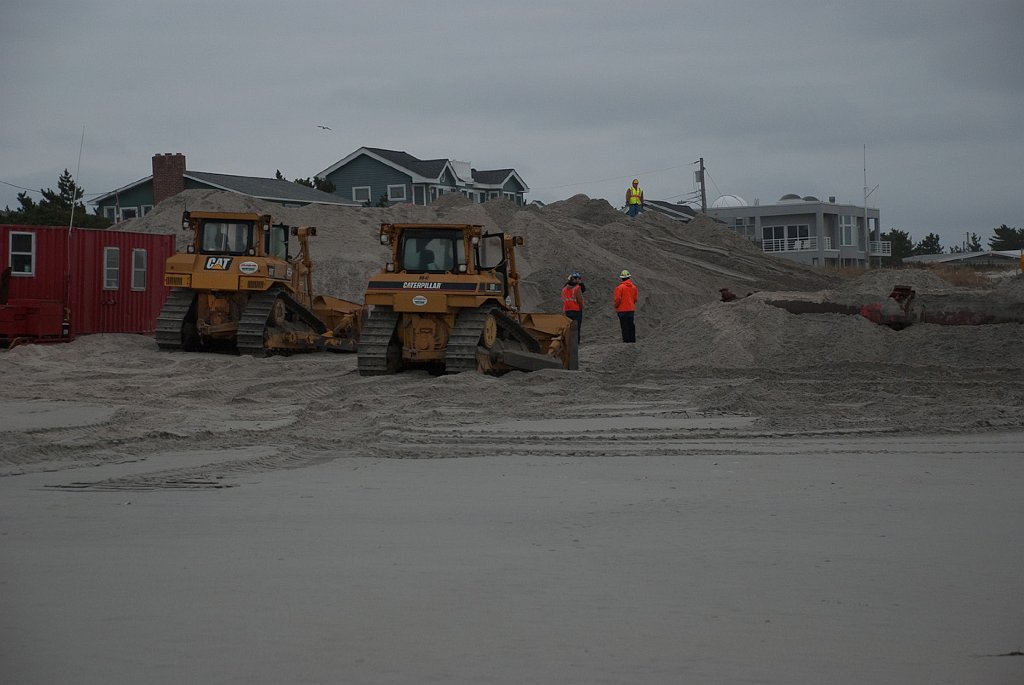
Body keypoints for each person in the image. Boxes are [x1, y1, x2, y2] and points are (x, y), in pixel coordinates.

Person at [613, 269, 638, 342]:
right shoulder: (634, 287)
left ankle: (626, 341)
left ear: (622, 278)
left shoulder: (619, 288)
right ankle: (632, 340)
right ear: (629, 277)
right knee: (631, 325)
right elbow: (635, 299)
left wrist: (616, 306)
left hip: (622, 310)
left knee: (624, 327)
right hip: (631, 309)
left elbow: (617, 299)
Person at [561, 271, 585, 343]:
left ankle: (569, 342)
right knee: (576, 328)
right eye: (577, 278)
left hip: (567, 310)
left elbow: (563, 300)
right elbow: (580, 300)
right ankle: (576, 343)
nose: (578, 280)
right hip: (576, 311)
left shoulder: (564, 289)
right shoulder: (577, 288)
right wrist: (581, 307)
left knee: (569, 328)